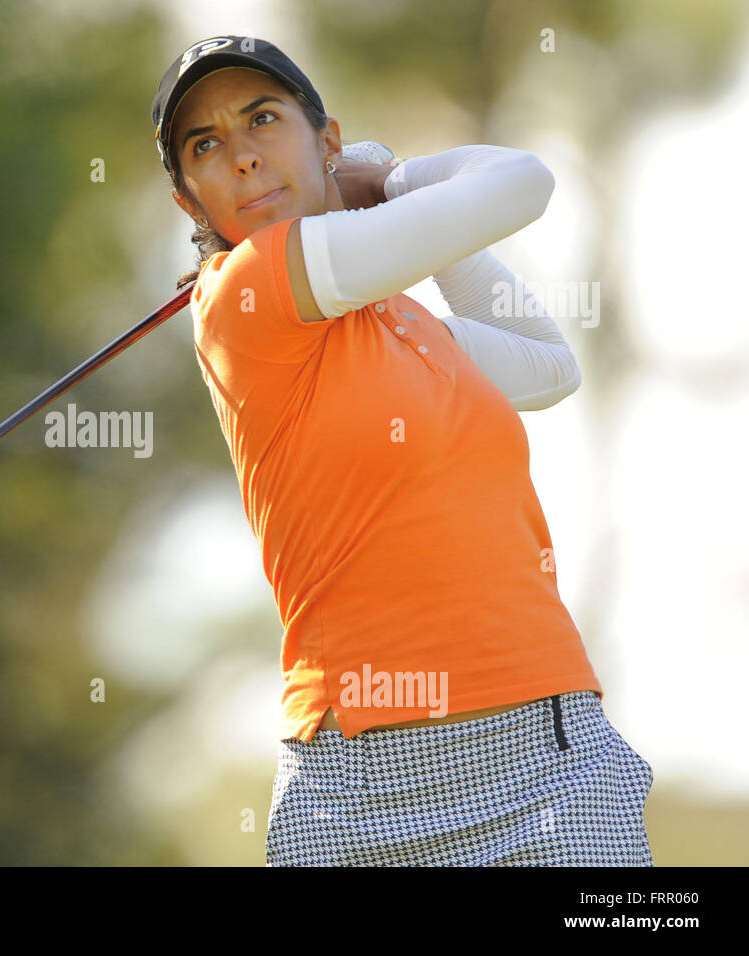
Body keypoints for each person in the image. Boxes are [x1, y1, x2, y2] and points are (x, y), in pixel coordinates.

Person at [150, 35, 655, 866]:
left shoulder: (406, 321)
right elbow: (520, 182)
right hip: (358, 791)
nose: (241, 157)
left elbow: (547, 365)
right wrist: (390, 181)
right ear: (191, 201)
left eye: (263, 120)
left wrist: (382, 186)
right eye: (205, 145)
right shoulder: (245, 294)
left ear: (327, 140)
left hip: (549, 767)